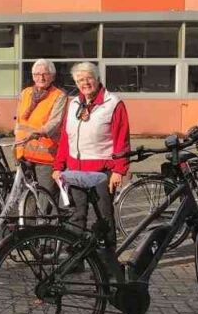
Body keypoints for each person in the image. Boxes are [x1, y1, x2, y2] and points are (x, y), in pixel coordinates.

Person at [52, 62, 130, 246]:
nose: (85, 83)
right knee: (77, 216)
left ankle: (108, 260)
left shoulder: (113, 103)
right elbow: (65, 137)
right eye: (80, 80)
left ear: (97, 79)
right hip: (75, 170)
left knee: (104, 216)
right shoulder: (74, 104)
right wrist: (58, 166)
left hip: (102, 172)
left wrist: (119, 170)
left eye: (88, 78)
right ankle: (75, 259)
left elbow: (122, 139)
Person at [14, 59, 68, 200]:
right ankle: (28, 223)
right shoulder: (25, 93)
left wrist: (39, 132)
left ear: (52, 76)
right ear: (32, 76)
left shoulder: (59, 95)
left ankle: (47, 222)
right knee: (27, 199)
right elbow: (19, 121)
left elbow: (55, 122)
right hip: (24, 155)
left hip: (46, 157)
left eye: (45, 74)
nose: (41, 77)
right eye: (37, 74)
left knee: (46, 198)